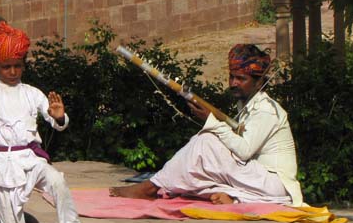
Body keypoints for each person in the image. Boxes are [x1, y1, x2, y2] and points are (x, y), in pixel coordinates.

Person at [0, 13, 94, 223]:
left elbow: (56, 122)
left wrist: (59, 117)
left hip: (31, 158)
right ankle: (23, 220)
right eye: (6, 66)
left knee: (57, 180)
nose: (12, 72)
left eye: (17, 66)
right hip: (3, 163)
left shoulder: (32, 93)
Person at [110, 44, 303, 206]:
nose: (234, 83)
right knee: (204, 152)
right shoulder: (246, 104)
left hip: (274, 184)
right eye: (232, 77)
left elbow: (244, 151)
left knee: (206, 142)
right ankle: (230, 197)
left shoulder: (266, 111)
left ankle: (151, 187)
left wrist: (212, 121)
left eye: (241, 79)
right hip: (253, 177)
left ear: (259, 81)